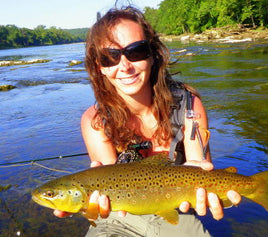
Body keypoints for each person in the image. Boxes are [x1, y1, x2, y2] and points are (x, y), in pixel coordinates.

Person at [54, 6, 241, 236]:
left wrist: (216, 189)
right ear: (99, 67)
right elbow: (105, 189)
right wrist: (88, 208)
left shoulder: (189, 106)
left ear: (153, 55)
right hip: (119, 217)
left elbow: (201, 169)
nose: (124, 66)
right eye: (110, 57)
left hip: (177, 208)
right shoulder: (95, 121)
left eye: (136, 51)